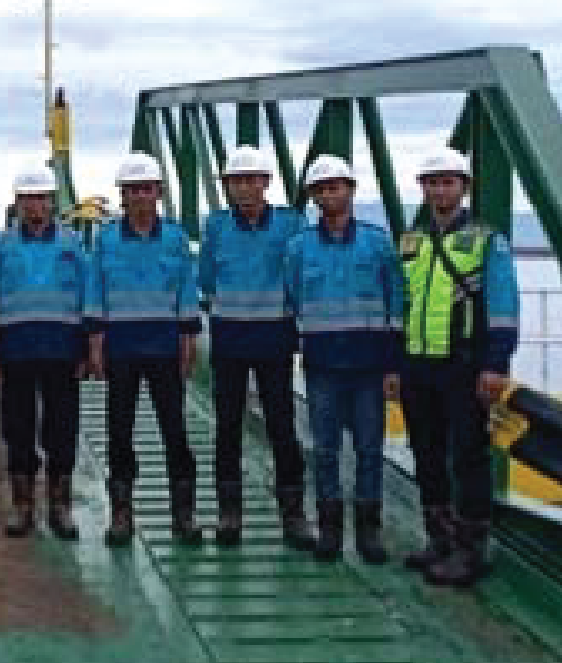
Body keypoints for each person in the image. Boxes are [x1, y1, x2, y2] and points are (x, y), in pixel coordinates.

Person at [397, 146, 519, 588]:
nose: (439, 190)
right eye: (432, 182)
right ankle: (440, 539)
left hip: (463, 364)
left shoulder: (487, 241)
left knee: (468, 454)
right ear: (422, 189)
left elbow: (503, 306)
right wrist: (394, 362)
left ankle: (471, 550)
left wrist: (496, 363)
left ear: (464, 187)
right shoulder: (410, 243)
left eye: (447, 182)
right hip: (417, 364)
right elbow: (401, 304)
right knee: (426, 452)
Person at [282, 154, 407, 565]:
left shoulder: (378, 243)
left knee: (370, 448)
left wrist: (393, 365)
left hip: (369, 365)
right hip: (323, 365)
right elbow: (292, 298)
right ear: (313, 197)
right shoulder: (299, 248)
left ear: (350, 190)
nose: (328, 194)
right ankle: (330, 528)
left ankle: (369, 529)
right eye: (321, 189)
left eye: (335, 187)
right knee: (325, 449)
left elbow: (395, 304)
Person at [87, 152, 203, 548]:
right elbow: (96, 291)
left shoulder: (175, 239)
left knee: (175, 431)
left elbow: (186, 291)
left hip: (164, 347)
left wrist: (189, 341)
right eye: (132, 190)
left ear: (159, 192)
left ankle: (183, 515)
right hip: (121, 347)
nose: (139, 196)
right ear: (122, 196)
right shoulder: (106, 240)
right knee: (119, 431)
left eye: (146, 189)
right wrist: (95, 344)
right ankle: (122, 514)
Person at [198, 145, 311, 550]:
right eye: (236, 181)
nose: (244, 188)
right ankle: (230, 514)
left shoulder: (291, 225)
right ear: (227, 186)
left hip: (273, 339)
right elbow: (206, 279)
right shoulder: (216, 227)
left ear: (266, 183)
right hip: (230, 340)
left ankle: (293, 514)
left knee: (282, 425)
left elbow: (301, 276)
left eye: (251, 180)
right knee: (227, 426)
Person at [0, 168, 91, 538]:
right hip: (16, 349)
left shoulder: (72, 244)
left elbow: (86, 295)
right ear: (17, 203)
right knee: (17, 428)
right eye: (28, 198)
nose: (35, 205)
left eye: (42, 198)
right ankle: (23, 506)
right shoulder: (2, 246)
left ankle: (59, 506)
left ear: (51, 202)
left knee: (62, 428)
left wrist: (86, 347)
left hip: (62, 349)